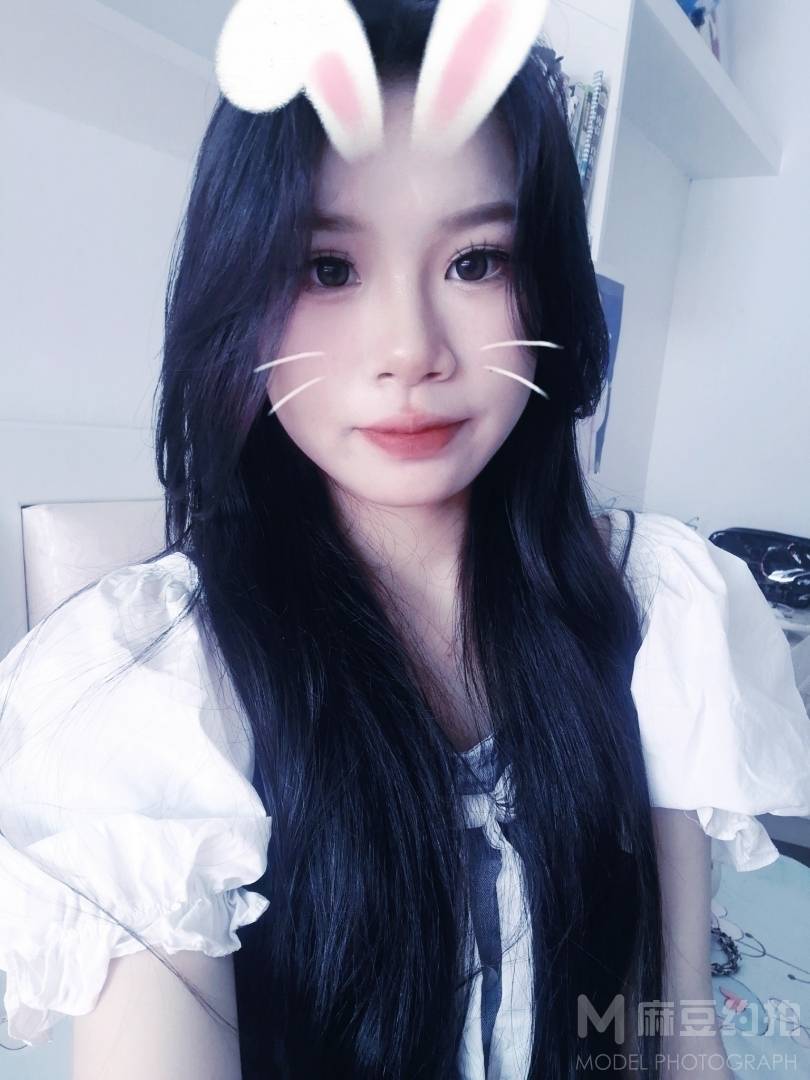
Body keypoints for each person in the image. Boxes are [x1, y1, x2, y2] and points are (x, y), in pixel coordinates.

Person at [1, 2, 809, 1077]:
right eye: (328, 268)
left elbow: (674, 1028)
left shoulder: (659, 605)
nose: (409, 349)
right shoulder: (156, 695)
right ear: (236, 292)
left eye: (475, 261)